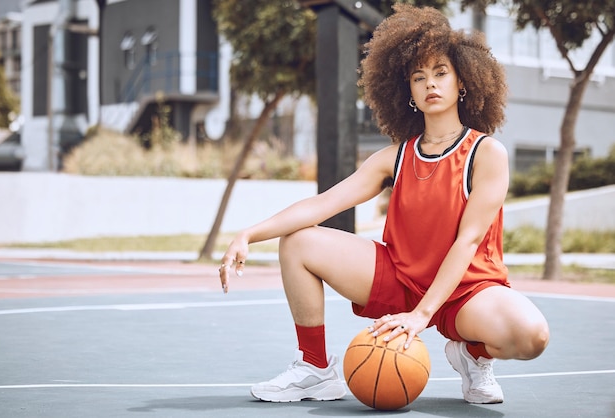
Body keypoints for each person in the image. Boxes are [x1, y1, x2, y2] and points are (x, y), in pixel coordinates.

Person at [218, 4, 549, 405]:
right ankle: (314, 368)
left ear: (463, 81)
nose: (431, 84)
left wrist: (421, 316)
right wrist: (249, 234)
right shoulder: (395, 156)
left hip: (465, 291)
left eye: (441, 73)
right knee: (299, 241)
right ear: (407, 92)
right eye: (418, 77)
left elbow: (468, 241)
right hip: (400, 275)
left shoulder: (486, 153)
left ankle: (471, 354)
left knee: (532, 335)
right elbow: (324, 203)